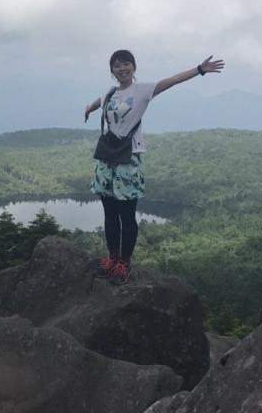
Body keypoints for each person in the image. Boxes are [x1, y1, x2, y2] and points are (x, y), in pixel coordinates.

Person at [84, 49, 225, 284]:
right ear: (112, 71)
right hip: (107, 160)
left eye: (126, 64)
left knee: (126, 216)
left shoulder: (142, 90)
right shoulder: (109, 93)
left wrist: (199, 69)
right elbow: (99, 102)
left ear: (133, 67)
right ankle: (112, 258)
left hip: (128, 160)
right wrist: (89, 108)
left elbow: (171, 81)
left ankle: (124, 264)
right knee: (110, 214)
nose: (122, 69)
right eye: (117, 65)